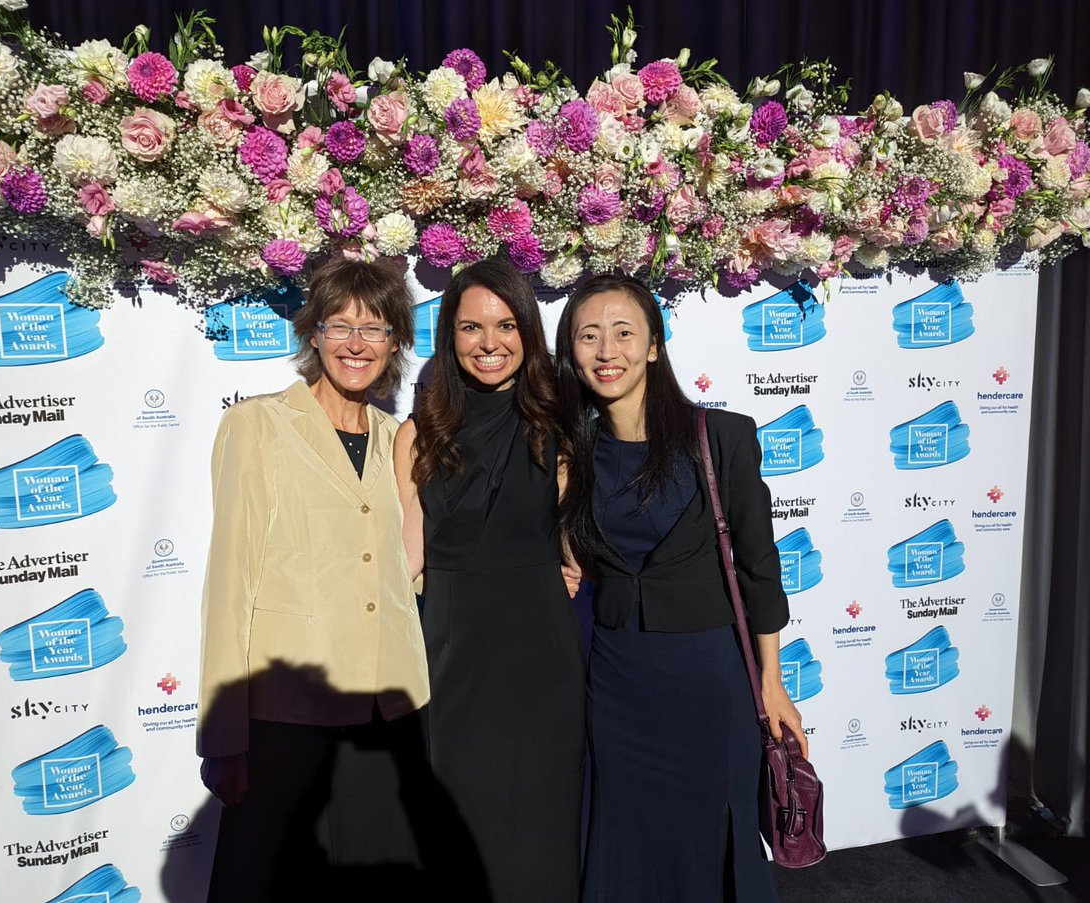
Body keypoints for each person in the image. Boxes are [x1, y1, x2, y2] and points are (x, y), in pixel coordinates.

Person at [554, 274, 807, 903]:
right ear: (572, 351)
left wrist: (772, 684)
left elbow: (759, 566)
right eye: (589, 336)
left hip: (707, 676)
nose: (606, 351)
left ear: (654, 346)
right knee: (628, 835)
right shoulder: (571, 450)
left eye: (623, 334)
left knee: (712, 835)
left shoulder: (720, 437)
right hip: (615, 681)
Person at [197, 257, 433, 901]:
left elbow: (407, 565)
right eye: (341, 325)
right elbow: (230, 581)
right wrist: (224, 736)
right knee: (265, 879)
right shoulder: (257, 425)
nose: (357, 343)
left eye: (377, 328)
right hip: (285, 711)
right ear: (314, 333)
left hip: (386, 707)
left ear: (396, 345)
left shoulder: (399, 438)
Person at [393, 257, 585, 902]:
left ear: (527, 332)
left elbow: (568, 534)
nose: (489, 343)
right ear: (449, 335)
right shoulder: (418, 435)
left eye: (505, 325)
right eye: (471, 327)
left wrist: (571, 564)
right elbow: (407, 553)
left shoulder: (556, 429)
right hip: (451, 639)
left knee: (541, 807)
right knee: (457, 809)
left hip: (540, 641)